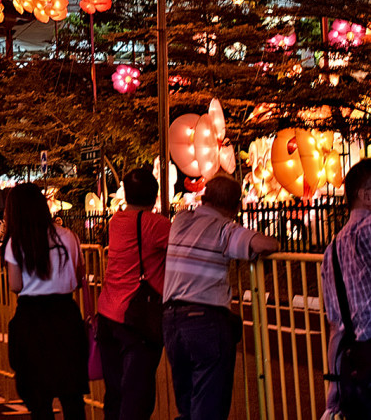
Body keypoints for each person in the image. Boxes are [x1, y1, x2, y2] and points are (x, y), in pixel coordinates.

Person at [162, 173, 279, 420]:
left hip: (172, 321)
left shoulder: (180, 221)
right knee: (209, 406)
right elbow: (264, 244)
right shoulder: (225, 229)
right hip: (205, 321)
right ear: (236, 207)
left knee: (188, 404)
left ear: (203, 198)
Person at [4, 183, 88, 420]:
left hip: (31, 319)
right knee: (71, 394)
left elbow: (15, 285)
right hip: (65, 315)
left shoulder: (16, 241)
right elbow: (79, 277)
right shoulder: (68, 236)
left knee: (39, 397)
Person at [93, 168, 171, 420]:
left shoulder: (117, 220)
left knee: (115, 391)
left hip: (107, 312)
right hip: (136, 317)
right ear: (156, 194)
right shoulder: (155, 224)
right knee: (137, 394)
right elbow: (186, 245)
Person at [322, 159, 371, 418]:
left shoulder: (332, 250)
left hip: (356, 364)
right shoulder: (369, 230)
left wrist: (334, 389)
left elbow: (335, 326)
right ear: (366, 195)